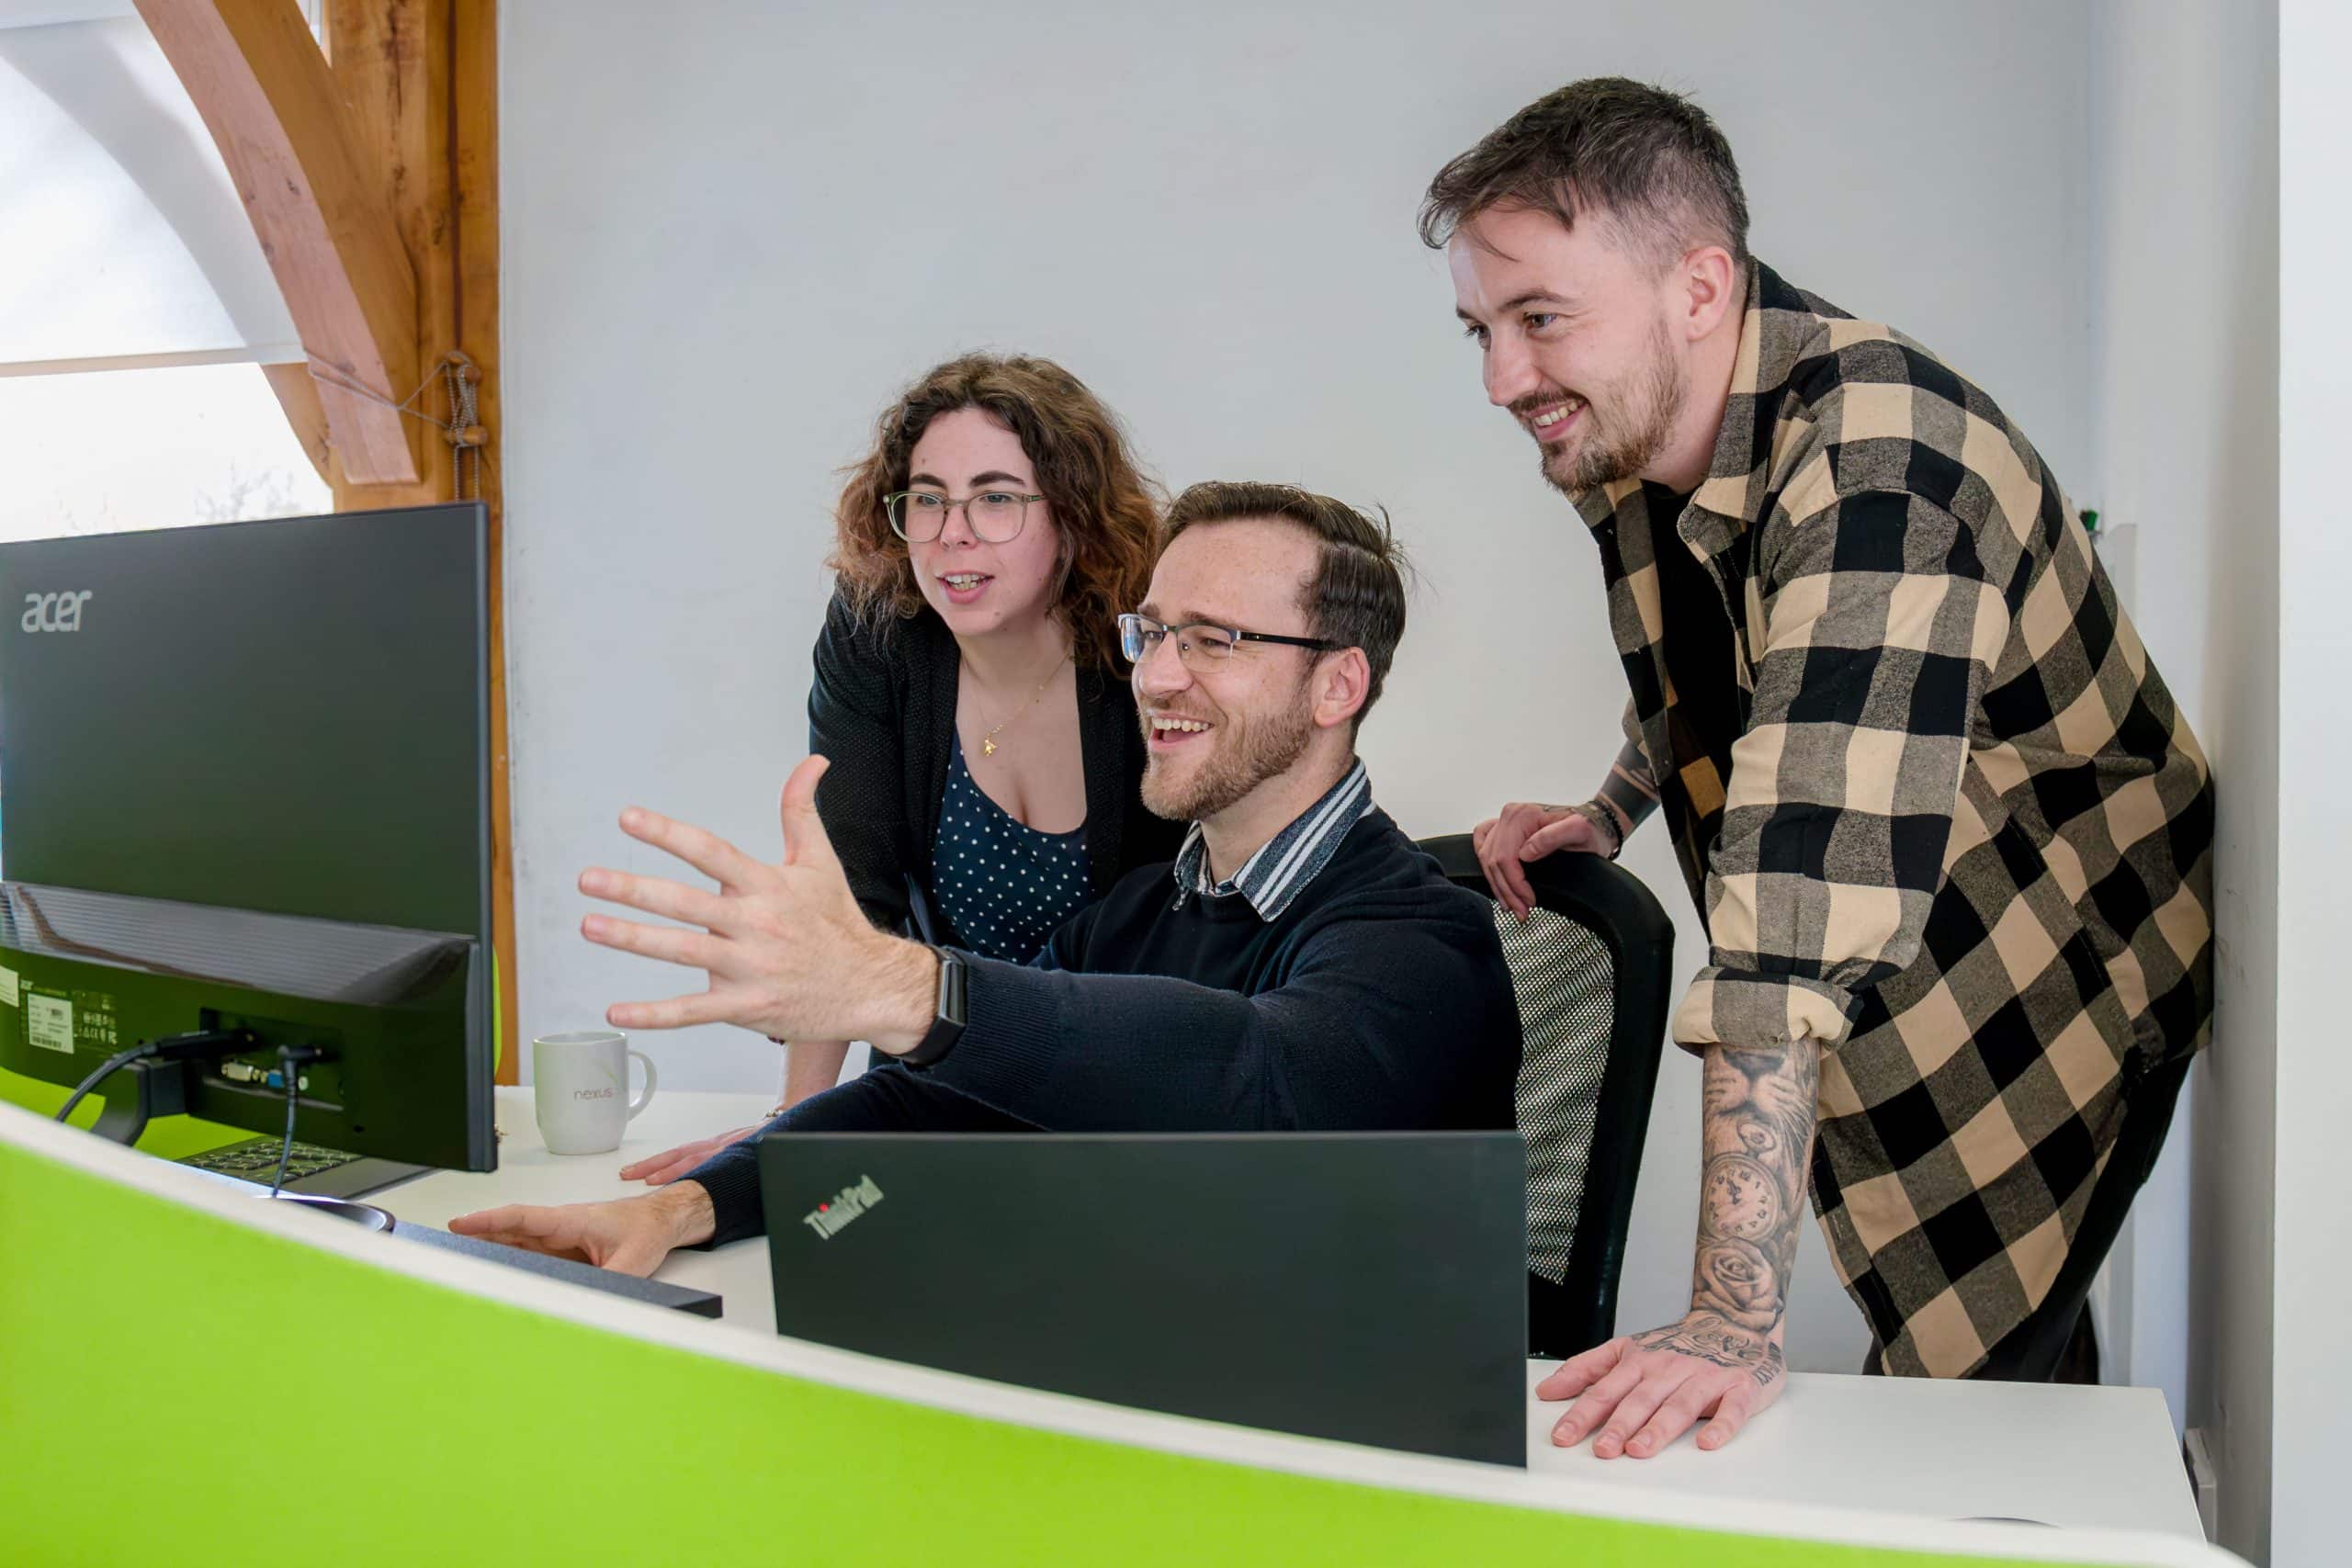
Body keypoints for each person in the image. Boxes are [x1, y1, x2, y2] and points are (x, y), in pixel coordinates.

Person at [1429, 79, 2213, 1456]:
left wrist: (1730, 1321)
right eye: (1481, 331)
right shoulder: (1647, 423)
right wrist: (1614, 807)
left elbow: (1795, 904)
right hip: (1889, 967)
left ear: (1699, 285)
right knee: (1988, 1407)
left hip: (2049, 974)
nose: (1502, 379)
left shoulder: (1878, 468)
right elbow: (1742, 658)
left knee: (1982, 1424)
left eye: (1540, 318)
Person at [452, 482, 1521, 1270]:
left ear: (1336, 686)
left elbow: (1260, 1082)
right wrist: (684, 1210)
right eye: (1153, 632)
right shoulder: (1135, 915)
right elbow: (932, 1111)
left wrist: (911, 990)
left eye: (1214, 640)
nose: (1155, 676)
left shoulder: (1428, 941)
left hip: (1353, 1449)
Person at [619, 354, 1183, 1187]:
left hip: (1128, 1112)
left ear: (1071, 518)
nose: (953, 533)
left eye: (996, 498)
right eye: (928, 498)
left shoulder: (1151, 660)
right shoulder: (876, 634)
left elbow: (1190, 942)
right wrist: (792, 1135)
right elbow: (851, 903)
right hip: (932, 1099)